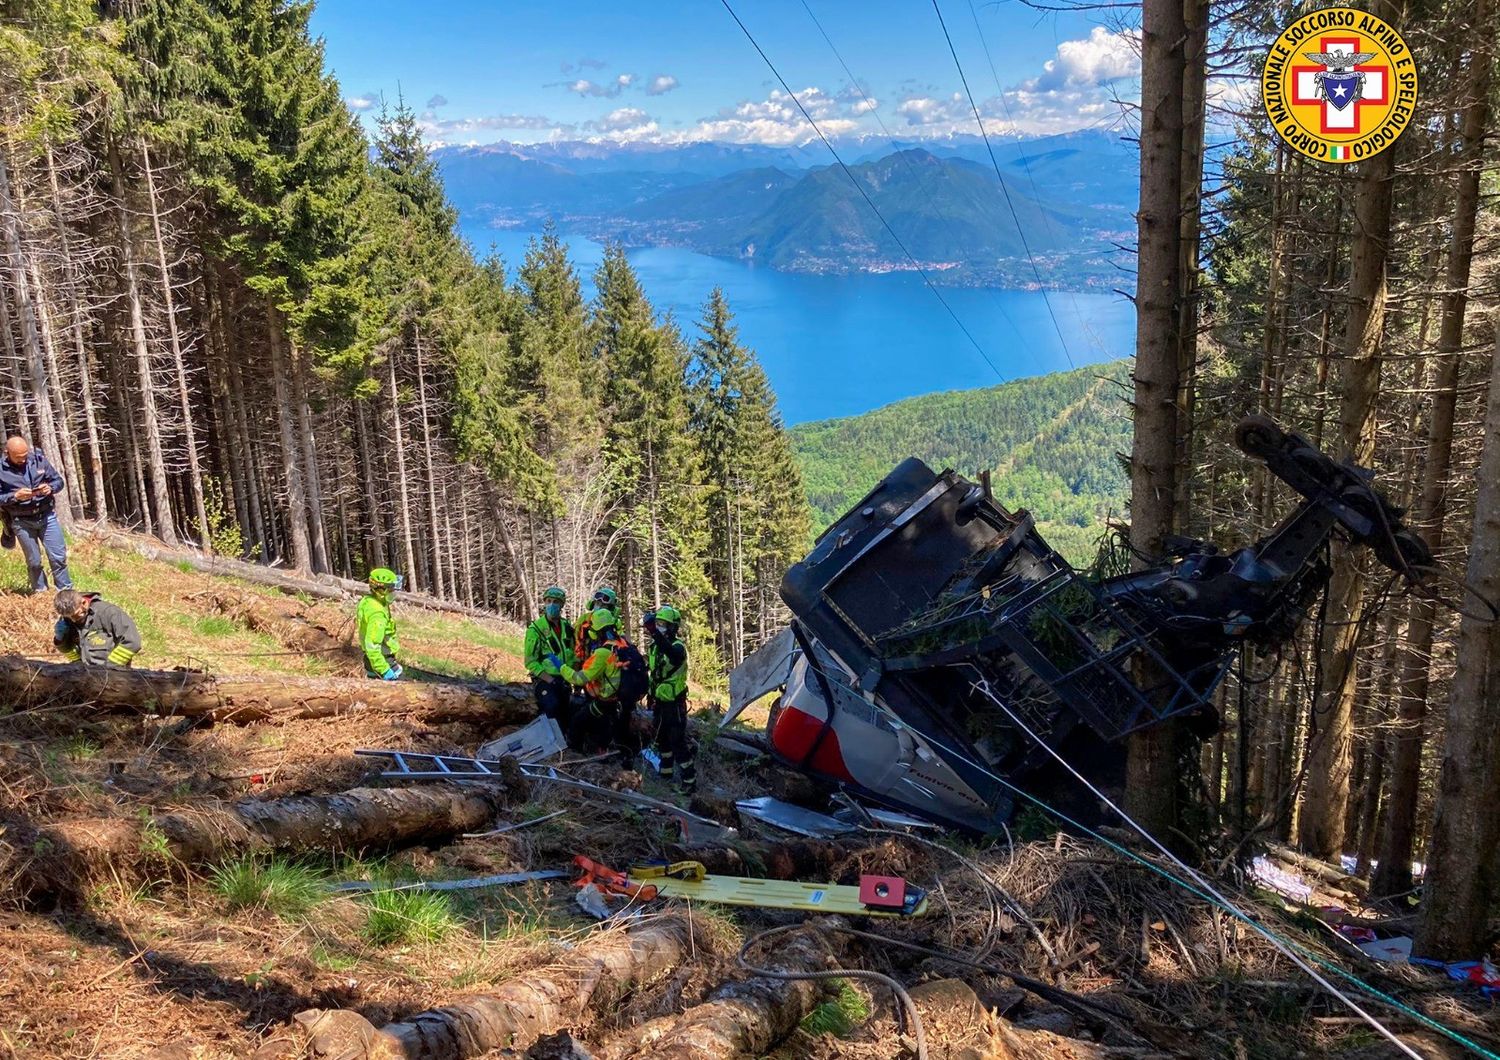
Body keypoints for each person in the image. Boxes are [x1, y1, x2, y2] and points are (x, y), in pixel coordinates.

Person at [557, 606, 634, 753]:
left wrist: (562, 667)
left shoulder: (603, 653)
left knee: (577, 722)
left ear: (595, 631)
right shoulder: (623, 645)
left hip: (605, 703)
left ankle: (573, 755)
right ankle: (603, 751)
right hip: (620, 702)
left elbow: (579, 679)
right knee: (602, 731)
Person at [0, 436, 72, 594]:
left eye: (25, 455)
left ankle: (66, 593)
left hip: (47, 515)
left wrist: (50, 488)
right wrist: (15, 496)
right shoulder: (1, 470)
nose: (23, 460)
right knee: (34, 562)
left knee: (58, 558)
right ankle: (41, 594)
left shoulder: (39, 461)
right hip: (21, 520)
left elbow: (58, 481)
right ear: (7, 453)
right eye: (18, 458)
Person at [644, 604, 696, 793]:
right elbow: (655, 674)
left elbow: (672, 656)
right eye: (657, 623)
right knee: (661, 739)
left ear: (673, 627)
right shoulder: (654, 647)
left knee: (677, 741)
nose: (659, 627)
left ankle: (689, 781)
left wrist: (655, 634)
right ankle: (665, 773)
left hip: (675, 704)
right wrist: (650, 695)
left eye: (663, 624)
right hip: (660, 700)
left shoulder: (677, 647)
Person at [53, 589, 142, 668]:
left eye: (76, 616)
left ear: (83, 603)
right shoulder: (67, 619)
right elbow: (71, 652)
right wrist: (61, 640)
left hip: (113, 675)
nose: (73, 620)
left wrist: (109, 668)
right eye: (69, 617)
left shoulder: (108, 613)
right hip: (85, 675)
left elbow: (132, 642)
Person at [524, 586, 575, 720]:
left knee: (567, 714)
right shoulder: (535, 629)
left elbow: (573, 653)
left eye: (556, 602)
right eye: (548, 601)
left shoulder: (567, 627)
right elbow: (530, 661)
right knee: (551, 708)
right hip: (545, 679)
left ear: (561, 605)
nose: (552, 605)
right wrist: (550, 680)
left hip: (565, 679)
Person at [358, 567, 404, 679]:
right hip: (382, 660)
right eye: (391, 590)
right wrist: (384, 670)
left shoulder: (370, 601)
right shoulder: (377, 614)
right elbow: (372, 645)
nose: (394, 593)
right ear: (380, 591)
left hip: (375, 660)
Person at [572, 585, 619, 664]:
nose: (599, 607)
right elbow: (576, 641)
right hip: (587, 661)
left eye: (604, 605)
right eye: (597, 603)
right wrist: (578, 662)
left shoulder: (614, 622)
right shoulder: (584, 619)